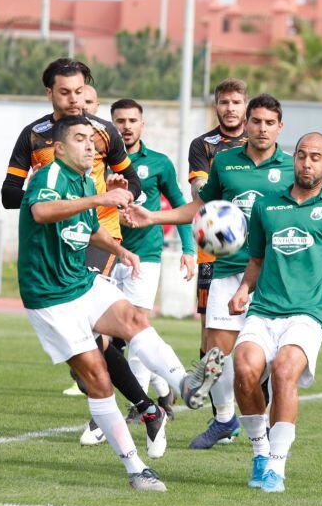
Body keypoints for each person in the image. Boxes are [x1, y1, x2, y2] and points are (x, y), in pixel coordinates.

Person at [17, 115, 223, 490]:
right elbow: (40, 212)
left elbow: (85, 227)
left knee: (134, 319)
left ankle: (186, 386)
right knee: (97, 377)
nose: (90, 144)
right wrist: (101, 197)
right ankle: (135, 469)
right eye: (80, 139)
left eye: (93, 140)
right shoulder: (49, 176)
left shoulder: (82, 178)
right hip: (49, 297)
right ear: (59, 148)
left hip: (79, 282)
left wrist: (118, 247)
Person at [0, 58, 167, 448]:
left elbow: (136, 187)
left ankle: (139, 402)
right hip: (51, 245)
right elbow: (9, 195)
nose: (75, 100)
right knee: (94, 349)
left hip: (96, 237)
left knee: (99, 336)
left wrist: (117, 187)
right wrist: (49, 199)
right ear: (50, 94)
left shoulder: (105, 132)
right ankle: (145, 405)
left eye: (80, 91)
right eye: (65, 92)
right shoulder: (34, 136)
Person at [127, 94, 293, 449]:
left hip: (272, 275)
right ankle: (226, 419)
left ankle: (266, 431)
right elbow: (202, 207)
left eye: (269, 123)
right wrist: (155, 216)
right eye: (256, 121)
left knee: (272, 362)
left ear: (280, 127)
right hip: (227, 268)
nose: (261, 128)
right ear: (246, 124)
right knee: (215, 354)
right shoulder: (226, 162)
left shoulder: (293, 168)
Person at [229, 132, 322, 493]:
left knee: (285, 371)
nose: (307, 163)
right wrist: (244, 288)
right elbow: (256, 260)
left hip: (307, 315)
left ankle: (276, 466)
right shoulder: (266, 206)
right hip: (264, 310)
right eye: (302, 155)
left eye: (316, 157)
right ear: (294, 159)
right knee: (243, 370)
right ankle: (260, 451)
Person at [109, 98, 196, 424]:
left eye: (132, 120)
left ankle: (140, 404)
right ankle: (164, 389)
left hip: (144, 257)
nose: (126, 126)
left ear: (142, 125)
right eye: (120, 120)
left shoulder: (158, 163)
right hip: (106, 254)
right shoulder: (100, 162)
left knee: (133, 330)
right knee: (114, 332)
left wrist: (189, 250)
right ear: (112, 124)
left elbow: (181, 205)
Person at [187, 79, 249, 440]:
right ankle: (223, 416)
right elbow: (199, 190)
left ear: (246, 106)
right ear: (216, 106)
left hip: (253, 254)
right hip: (213, 252)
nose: (230, 108)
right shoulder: (204, 146)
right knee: (210, 336)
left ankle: (257, 405)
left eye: (236, 101)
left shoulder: (261, 145)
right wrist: (214, 201)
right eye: (224, 101)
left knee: (255, 333)